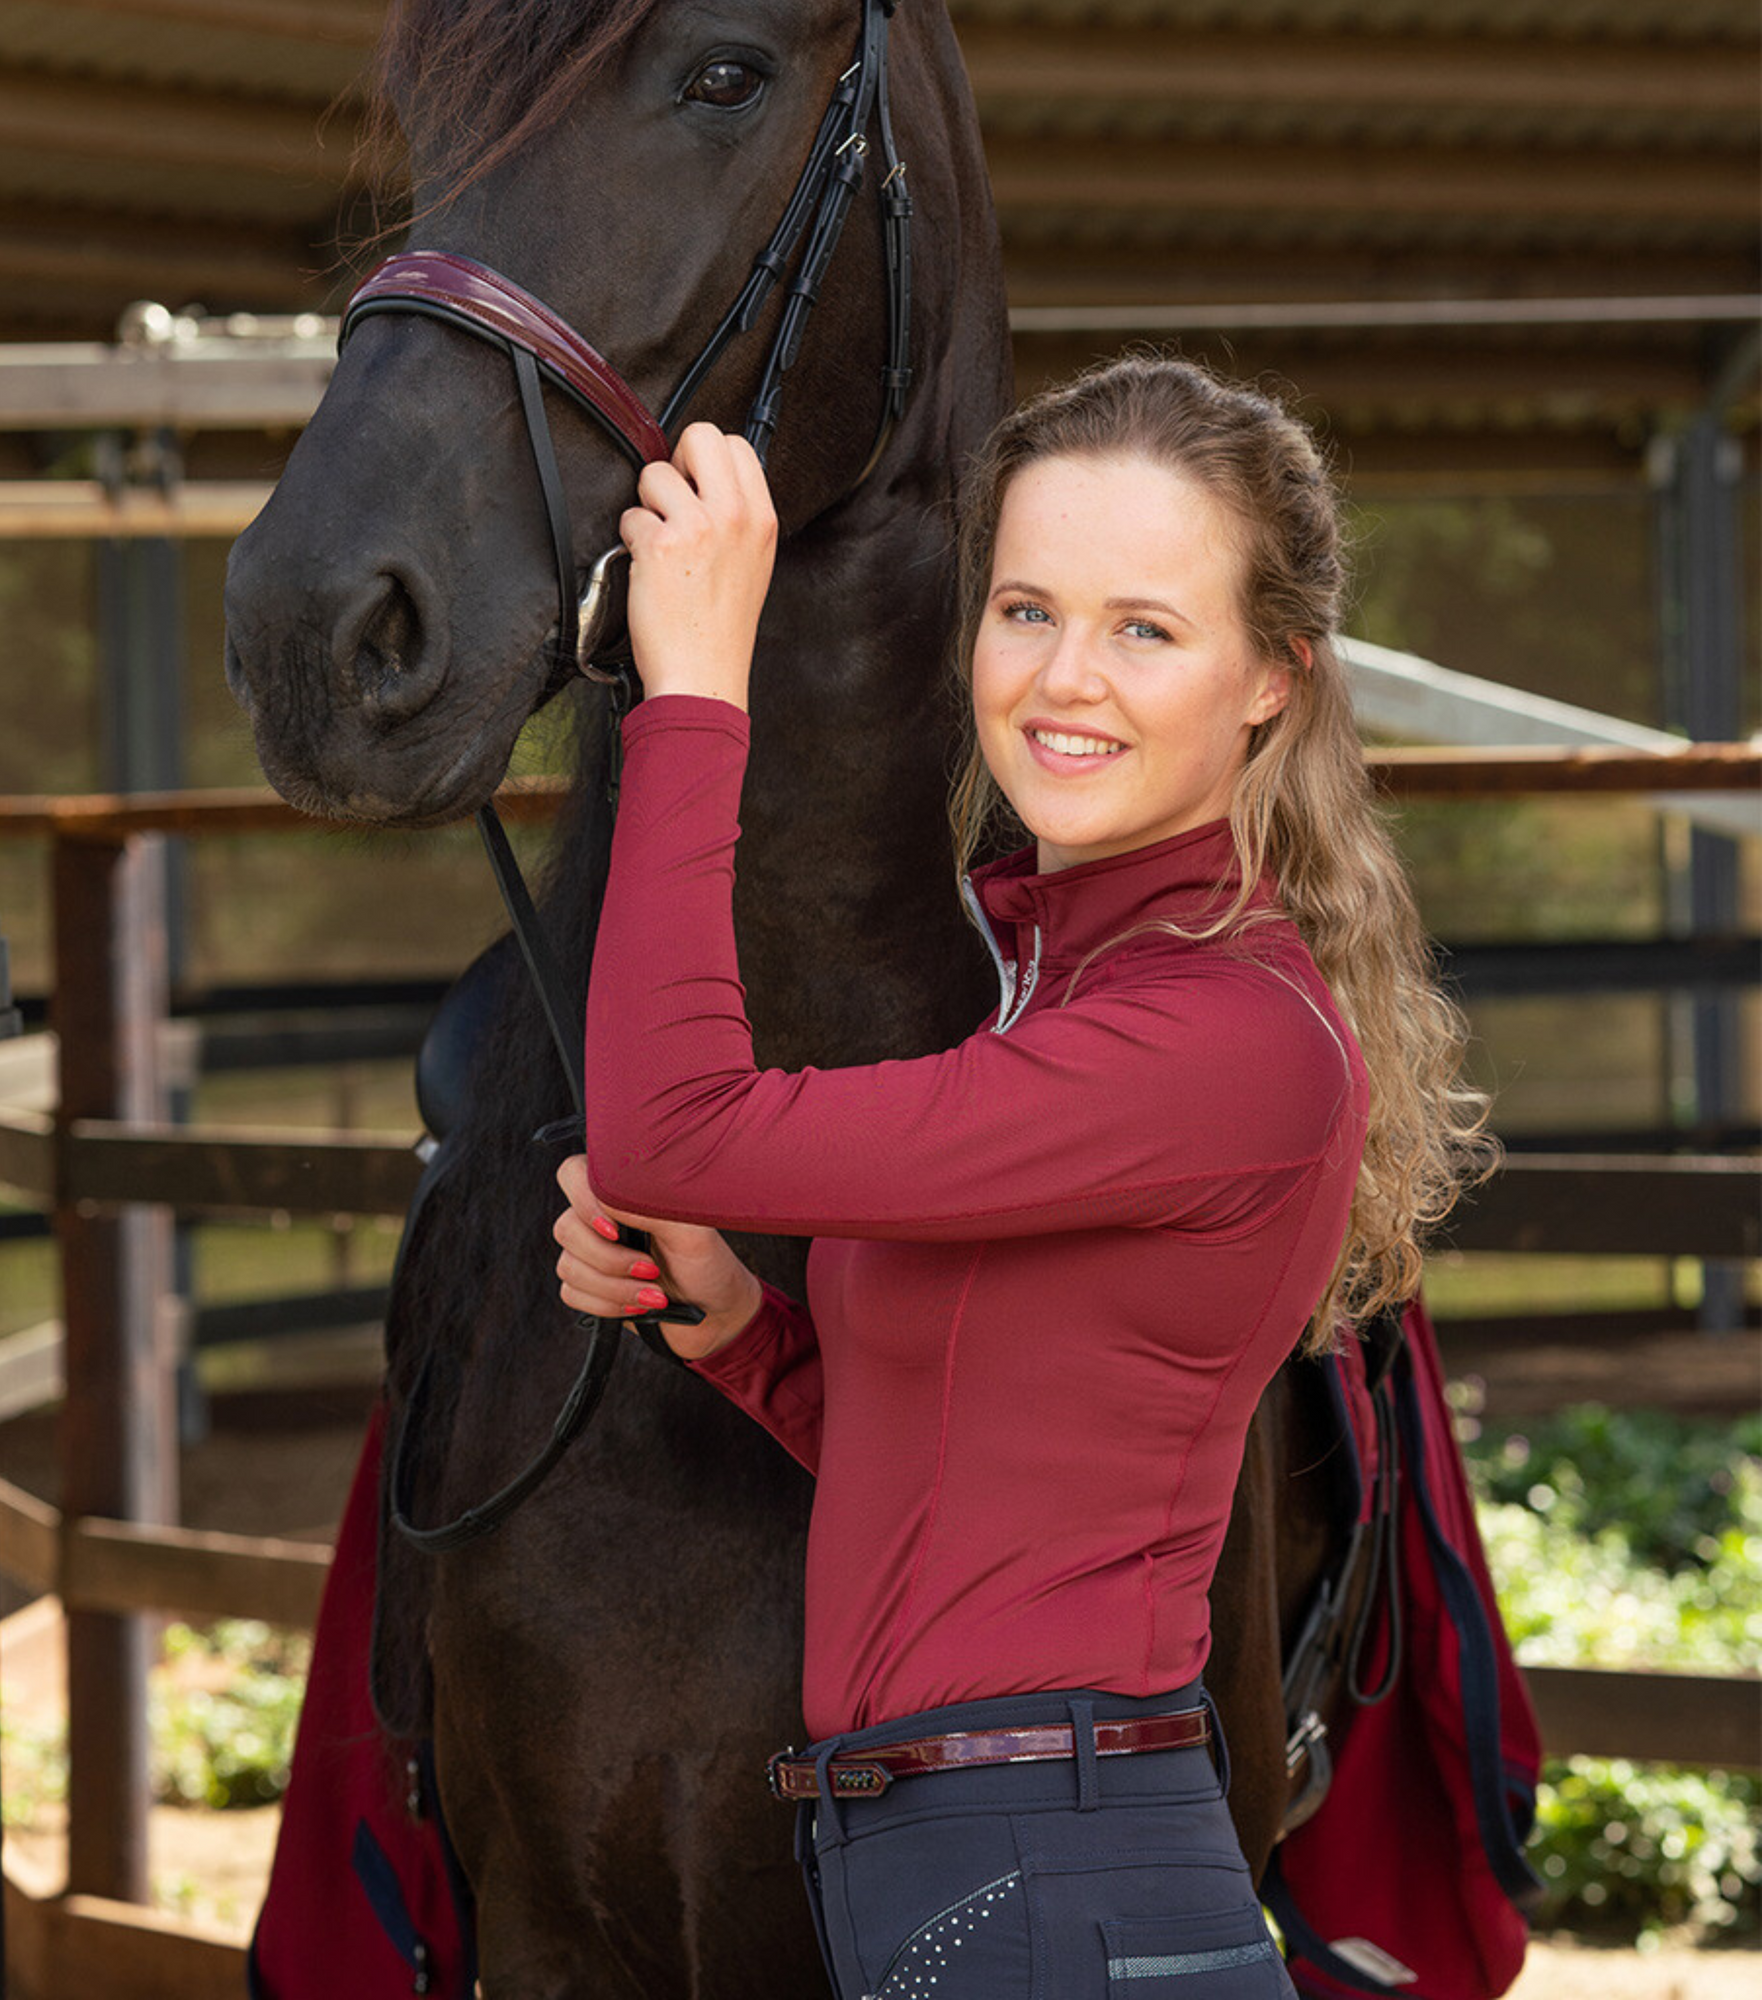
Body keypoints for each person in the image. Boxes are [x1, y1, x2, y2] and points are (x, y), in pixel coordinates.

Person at [551, 356, 1493, 1997]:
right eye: (1026, 609)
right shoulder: (1061, 982)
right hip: (966, 1865)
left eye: (1146, 627)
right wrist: (740, 1333)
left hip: (1047, 1874)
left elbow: (667, 1127)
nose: (1067, 679)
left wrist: (695, 688)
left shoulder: (1225, 1033)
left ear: (1273, 677)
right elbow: (975, 1473)